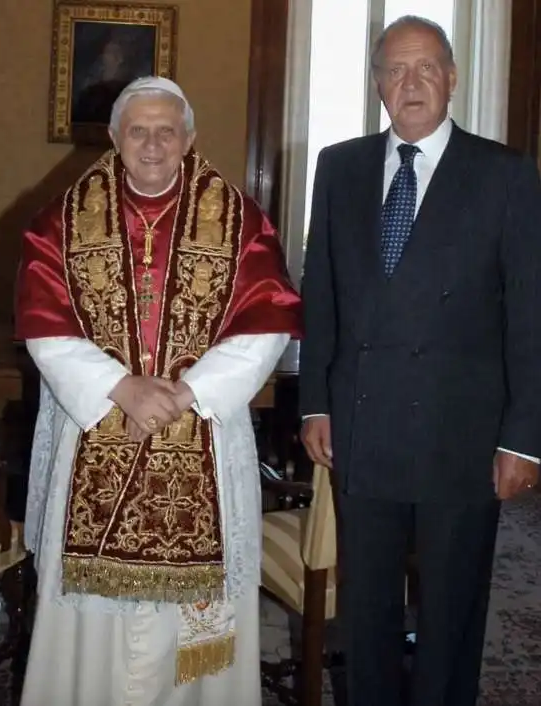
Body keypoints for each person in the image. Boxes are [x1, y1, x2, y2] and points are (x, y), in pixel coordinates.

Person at [15, 76, 302, 706]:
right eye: (137, 131)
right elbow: (45, 325)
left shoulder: (238, 220)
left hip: (203, 428)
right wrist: (119, 387)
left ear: (189, 138)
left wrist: (188, 393)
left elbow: (269, 320)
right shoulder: (61, 220)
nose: (152, 145)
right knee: (91, 633)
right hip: (95, 426)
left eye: (165, 131)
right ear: (115, 138)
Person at [300, 15, 541, 706]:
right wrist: (317, 400)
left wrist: (523, 439)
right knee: (366, 614)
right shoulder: (338, 167)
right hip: (361, 427)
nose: (412, 83)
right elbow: (323, 297)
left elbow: (530, 317)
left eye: (427, 68)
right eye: (396, 69)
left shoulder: (505, 175)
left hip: (462, 437)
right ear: (377, 82)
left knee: (450, 615)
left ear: (453, 79)